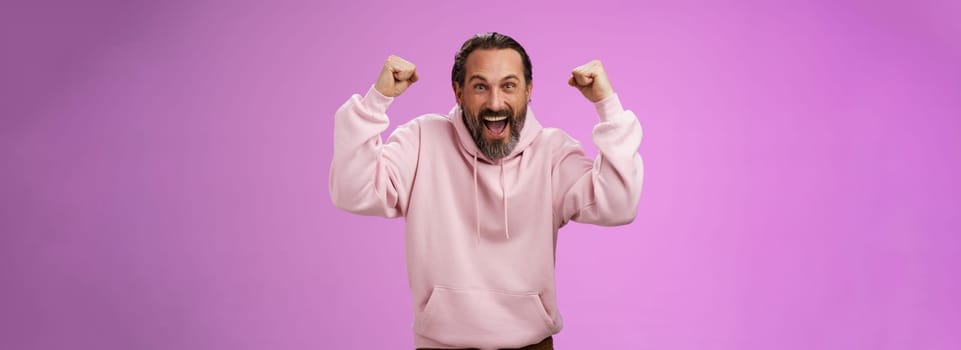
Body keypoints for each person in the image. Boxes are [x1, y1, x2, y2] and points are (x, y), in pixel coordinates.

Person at [329, 32, 644, 350]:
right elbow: (353, 189)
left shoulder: (552, 153)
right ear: (458, 92)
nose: (495, 102)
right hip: (440, 346)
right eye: (481, 86)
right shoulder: (421, 140)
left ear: (528, 91)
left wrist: (608, 105)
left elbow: (618, 204)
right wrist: (376, 101)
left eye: (508, 85)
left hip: (531, 344)